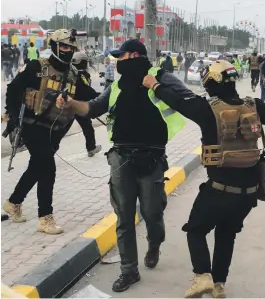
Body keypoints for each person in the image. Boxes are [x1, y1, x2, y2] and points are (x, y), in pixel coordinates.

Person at [56, 39, 186, 292]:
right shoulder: (117, 85)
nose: (117, 61)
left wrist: (157, 87)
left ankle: (155, 243)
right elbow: (93, 108)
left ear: (135, 56)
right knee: (124, 217)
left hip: (152, 156)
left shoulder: (162, 77)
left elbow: (184, 101)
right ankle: (129, 270)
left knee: (152, 212)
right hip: (121, 157)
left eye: (121, 56)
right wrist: (71, 104)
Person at [142, 59, 265, 298]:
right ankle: (219, 285)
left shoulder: (207, 108)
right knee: (226, 235)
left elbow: (177, 101)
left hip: (218, 190)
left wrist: (154, 85)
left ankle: (202, 277)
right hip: (248, 193)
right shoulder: (254, 105)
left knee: (195, 230)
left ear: (211, 82)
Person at [2, 29, 95, 234]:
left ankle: (13, 202)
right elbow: (13, 89)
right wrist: (14, 116)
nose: (67, 51)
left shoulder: (74, 75)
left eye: (71, 48)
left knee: (36, 167)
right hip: (32, 127)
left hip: (56, 132)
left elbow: (91, 97)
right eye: (63, 46)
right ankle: (45, 218)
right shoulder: (36, 67)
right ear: (53, 46)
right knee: (48, 169)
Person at [68, 51, 102, 157]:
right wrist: (99, 96)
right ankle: (91, 148)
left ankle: (50, 149)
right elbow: (86, 90)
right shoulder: (81, 74)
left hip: (68, 104)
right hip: (78, 105)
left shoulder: (70, 73)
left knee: (61, 129)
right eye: (85, 62)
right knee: (87, 128)